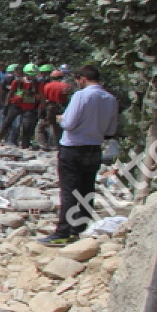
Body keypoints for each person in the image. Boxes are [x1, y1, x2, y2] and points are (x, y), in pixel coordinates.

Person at [42, 65, 120, 246]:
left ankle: (63, 232)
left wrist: (61, 119)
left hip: (73, 147)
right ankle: (81, 228)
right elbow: (111, 129)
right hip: (94, 148)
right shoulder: (110, 99)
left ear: (82, 79)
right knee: (87, 189)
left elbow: (69, 123)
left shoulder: (81, 95)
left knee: (69, 190)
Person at [3, 64, 42, 147]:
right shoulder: (17, 82)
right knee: (7, 122)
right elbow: (11, 93)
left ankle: (25, 143)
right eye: (30, 75)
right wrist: (7, 105)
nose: (31, 77)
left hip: (29, 107)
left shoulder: (38, 84)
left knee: (27, 126)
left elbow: (41, 96)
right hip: (16, 105)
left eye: (33, 75)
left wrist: (40, 107)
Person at [37, 67, 73, 150]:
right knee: (57, 127)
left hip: (50, 107)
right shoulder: (67, 86)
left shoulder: (47, 86)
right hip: (62, 108)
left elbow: (42, 98)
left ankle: (43, 144)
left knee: (41, 127)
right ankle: (58, 145)